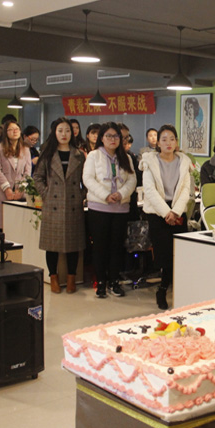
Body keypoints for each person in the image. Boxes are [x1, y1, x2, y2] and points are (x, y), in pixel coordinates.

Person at [139, 124, 192, 310]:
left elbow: (186, 189)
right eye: (164, 139)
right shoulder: (150, 162)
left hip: (177, 211)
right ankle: (162, 290)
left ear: (177, 142)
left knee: (179, 253)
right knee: (164, 254)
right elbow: (149, 190)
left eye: (172, 139)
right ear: (158, 143)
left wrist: (176, 211)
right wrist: (166, 212)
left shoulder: (183, 161)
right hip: (158, 212)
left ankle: (179, 290)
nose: (168, 143)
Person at [83, 122, 136, 298]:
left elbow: (132, 180)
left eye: (116, 136)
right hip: (99, 207)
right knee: (100, 247)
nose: (112, 139)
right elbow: (88, 179)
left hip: (120, 208)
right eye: (108, 136)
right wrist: (106, 195)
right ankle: (101, 283)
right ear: (102, 138)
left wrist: (120, 194)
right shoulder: (94, 156)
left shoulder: (126, 157)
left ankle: (114, 281)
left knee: (116, 247)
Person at [34, 118, 86, 294]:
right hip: (53, 204)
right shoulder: (47, 154)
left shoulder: (79, 154)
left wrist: (81, 196)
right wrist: (46, 194)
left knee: (73, 244)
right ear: (54, 132)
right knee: (52, 245)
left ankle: (71, 278)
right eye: (60, 130)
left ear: (72, 133)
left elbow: (85, 180)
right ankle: (53, 277)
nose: (64, 134)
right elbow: (37, 177)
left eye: (67, 131)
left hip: (73, 203)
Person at [0, 120, 31, 231]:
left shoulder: (25, 149)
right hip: (1, 190)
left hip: (18, 192)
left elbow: (27, 172)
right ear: (6, 133)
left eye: (16, 129)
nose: (14, 131)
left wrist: (21, 188)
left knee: (16, 226)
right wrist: (7, 188)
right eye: (10, 129)